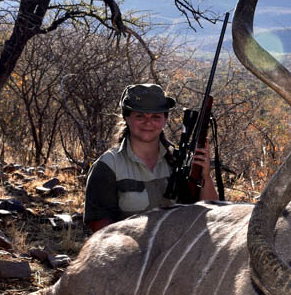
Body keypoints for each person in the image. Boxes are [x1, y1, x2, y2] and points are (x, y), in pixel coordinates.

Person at [84, 83, 218, 232]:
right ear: (127, 118)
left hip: (178, 250)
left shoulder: (180, 161)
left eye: (155, 117)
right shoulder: (108, 165)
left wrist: (204, 175)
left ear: (165, 119)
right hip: (130, 251)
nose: (148, 122)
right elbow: (100, 228)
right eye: (140, 116)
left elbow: (211, 213)